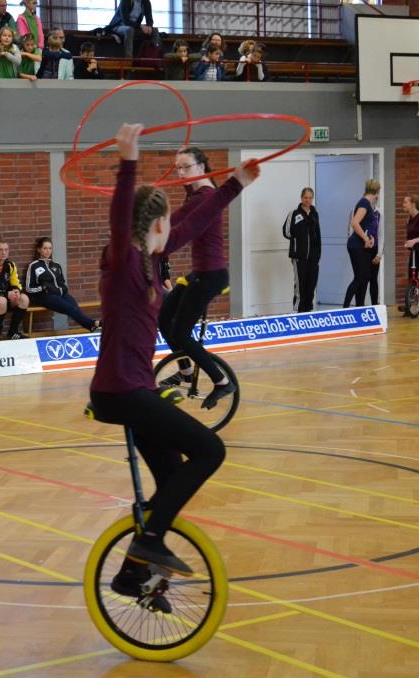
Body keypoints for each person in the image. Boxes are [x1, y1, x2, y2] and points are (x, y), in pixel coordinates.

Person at [90, 123, 258, 592]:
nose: (173, 227)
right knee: (210, 450)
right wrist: (128, 162)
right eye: (167, 221)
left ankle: (134, 572)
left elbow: (196, 222)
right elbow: (122, 219)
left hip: (131, 390)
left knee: (170, 478)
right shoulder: (124, 261)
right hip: (123, 391)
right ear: (154, 225)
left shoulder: (150, 260)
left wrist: (235, 184)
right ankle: (148, 543)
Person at [156, 147, 245, 409]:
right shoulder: (197, 194)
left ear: (201, 167)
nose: (181, 173)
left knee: (181, 333)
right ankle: (185, 371)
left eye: (185, 167)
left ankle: (221, 381)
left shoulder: (205, 197)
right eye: (178, 168)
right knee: (164, 317)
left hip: (211, 276)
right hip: (200, 274)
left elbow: (176, 223)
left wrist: (149, 228)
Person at [24, 237, 99, 332]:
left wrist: (63, 289)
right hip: (44, 296)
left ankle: (91, 326)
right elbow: (29, 288)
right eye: (45, 248)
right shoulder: (34, 266)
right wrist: (43, 288)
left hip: (60, 294)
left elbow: (62, 282)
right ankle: (93, 323)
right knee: (69, 308)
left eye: (50, 248)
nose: (48, 251)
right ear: (39, 249)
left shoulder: (56, 265)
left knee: (74, 307)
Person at [343, 178, 381, 307]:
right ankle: (345, 307)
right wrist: (366, 239)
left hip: (360, 246)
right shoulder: (364, 203)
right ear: (377, 192)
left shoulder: (367, 204)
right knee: (360, 277)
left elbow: (364, 226)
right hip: (357, 245)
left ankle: (359, 306)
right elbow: (354, 223)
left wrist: (369, 238)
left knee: (363, 278)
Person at [282, 187, 321, 312]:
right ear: (301, 198)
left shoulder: (315, 214)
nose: (307, 200)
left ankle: (308, 310)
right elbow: (286, 232)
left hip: (313, 258)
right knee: (300, 286)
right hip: (299, 257)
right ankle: (299, 311)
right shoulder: (294, 213)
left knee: (311, 285)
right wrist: (298, 240)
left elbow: (318, 235)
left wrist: (318, 254)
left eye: (310, 198)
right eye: (305, 197)